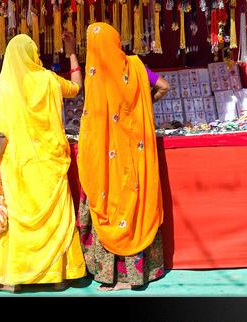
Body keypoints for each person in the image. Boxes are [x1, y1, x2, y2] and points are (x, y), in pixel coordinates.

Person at [0, 32, 86, 292]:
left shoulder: (5, 89)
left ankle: (18, 276)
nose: (39, 57)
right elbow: (76, 88)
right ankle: (58, 276)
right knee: (55, 218)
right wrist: (71, 51)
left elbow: (0, 133)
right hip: (51, 163)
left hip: (19, 167)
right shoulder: (48, 80)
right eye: (36, 53)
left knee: (20, 220)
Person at [76, 22, 169, 291]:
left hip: (106, 159)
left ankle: (113, 277)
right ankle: (136, 276)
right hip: (135, 155)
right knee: (133, 204)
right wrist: (142, 106)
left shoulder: (95, 73)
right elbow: (165, 86)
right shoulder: (136, 66)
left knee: (110, 204)